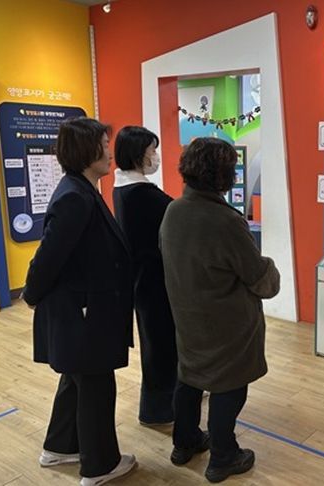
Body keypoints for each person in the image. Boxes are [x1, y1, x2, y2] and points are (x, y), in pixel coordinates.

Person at [22, 117, 136, 485]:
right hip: (83, 311)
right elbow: (49, 256)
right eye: (103, 145)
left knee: (77, 380)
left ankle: (60, 446)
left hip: (84, 308)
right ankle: (100, 466)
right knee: (96, 386)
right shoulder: (75, 196)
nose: (109, 152)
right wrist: (31, 294)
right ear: (85, 151)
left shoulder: (82, 190)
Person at [160, 137, 280, 483]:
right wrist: (271, 267)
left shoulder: (173, 211)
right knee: (229, 385)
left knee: (189, 379)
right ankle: (224, 456)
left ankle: (184, 443)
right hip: (227, 324)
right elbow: (260, 279)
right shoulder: (225, 220)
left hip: (187, 316)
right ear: (223, 174)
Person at [112, 126, 178, 426]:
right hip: (154, 279)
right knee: (161, 345)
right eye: (153, 150)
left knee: (156, 341)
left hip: (141, 277)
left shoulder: (121, 187)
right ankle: (157, 409)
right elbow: (176, 214)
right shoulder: (142, 193)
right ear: (139, 154)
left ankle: (164, 401)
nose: (156, 156)